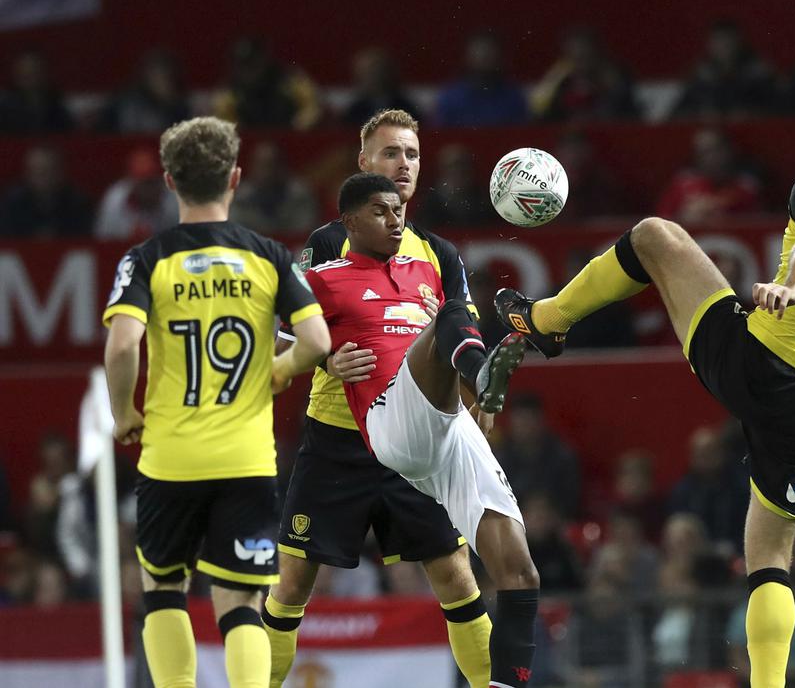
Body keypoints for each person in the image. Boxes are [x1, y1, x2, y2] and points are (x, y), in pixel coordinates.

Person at [493, 0, 795, 685]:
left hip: (759, 359)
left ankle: (543, 322)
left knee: (655, 235)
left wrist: (793, 287)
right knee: (769, 554)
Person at [265, 109, 506, 688]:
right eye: (391, 153)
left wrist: (477, 393)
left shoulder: (440, 255)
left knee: (454, 575)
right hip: (337, 440)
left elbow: (461, 333)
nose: (403, 165)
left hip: (417, 444)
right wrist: (323, 356)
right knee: (293, 581)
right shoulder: (326, 244)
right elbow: (277, 327)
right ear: (363, 162)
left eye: (413, 155)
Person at [102, 116, 331, 688]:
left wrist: (124, 411)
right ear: (235, 177)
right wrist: (279, 370)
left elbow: (123, 344)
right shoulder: (270, 256)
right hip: (247, 460)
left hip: (170, 458)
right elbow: (319, 343)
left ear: (170, 181)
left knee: (162, 591)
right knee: (240, 604)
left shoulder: (146, 258)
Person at [305, 171, 541, 688]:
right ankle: (480, 375)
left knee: (520, 573)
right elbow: (274, 335)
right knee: (451, 315)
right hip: (389, 422)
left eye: (398, 210)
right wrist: (326, 357)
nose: (395, 219)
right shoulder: (323, 277)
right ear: (348, 222)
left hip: (448, 428)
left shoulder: (423, 271)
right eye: (379, 212)